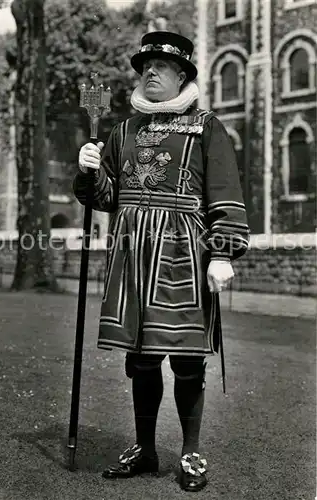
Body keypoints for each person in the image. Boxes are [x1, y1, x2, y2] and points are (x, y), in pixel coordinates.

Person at [73, 30, 250, 492]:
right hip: (132, 254)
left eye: (161, 66)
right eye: (144, 66)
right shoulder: (123, 130)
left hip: (184, 255)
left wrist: (223, 253)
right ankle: (145, 449)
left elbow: (226, 192)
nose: (149, 71)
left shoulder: (207, 126)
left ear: (182, 75)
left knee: (187, 358)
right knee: (143, 358)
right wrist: (89, 168)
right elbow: (106, 196)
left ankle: (190, 452)